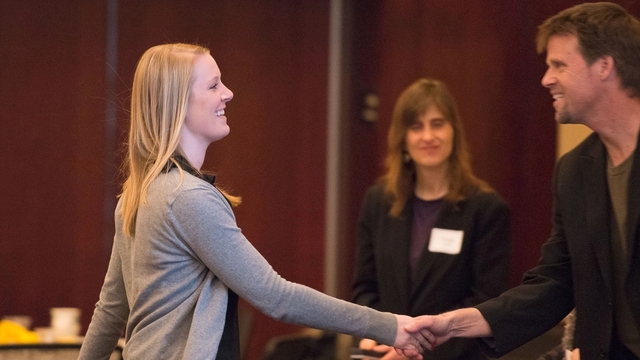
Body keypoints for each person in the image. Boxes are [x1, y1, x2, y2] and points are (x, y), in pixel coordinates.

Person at [77, 43, 427, 360]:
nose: (228, 93)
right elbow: (277, 297)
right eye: (213, 86)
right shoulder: (189, 198)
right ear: (178, 103)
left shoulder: (137, 195)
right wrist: (390, 326)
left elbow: (110, 310)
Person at [405, 3, 640, 359]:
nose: (546, 78)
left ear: (604, 66)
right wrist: (453, 324)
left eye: (559, 64)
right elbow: (555, 282)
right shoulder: (575, 170)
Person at [352, 79, 511, 360]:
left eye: (437, 123)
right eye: (416, 126)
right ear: (403, 139)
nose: (428, 136)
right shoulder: (378, 202)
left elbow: (485, 304)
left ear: (454, 132)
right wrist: (384, 336)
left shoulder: (487, 210)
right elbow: (365, 289)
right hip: (386, 352)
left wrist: (413, 352)